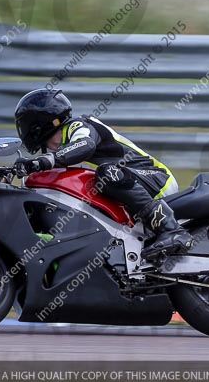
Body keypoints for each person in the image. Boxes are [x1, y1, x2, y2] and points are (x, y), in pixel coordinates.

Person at [12, 88, 194, 262]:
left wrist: (43, 161)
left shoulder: (78, 125)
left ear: (38, 123)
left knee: (107, 173)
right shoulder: (59, 151)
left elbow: (85, 145)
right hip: (130, 185)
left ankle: (172, 230)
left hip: (154, 178)